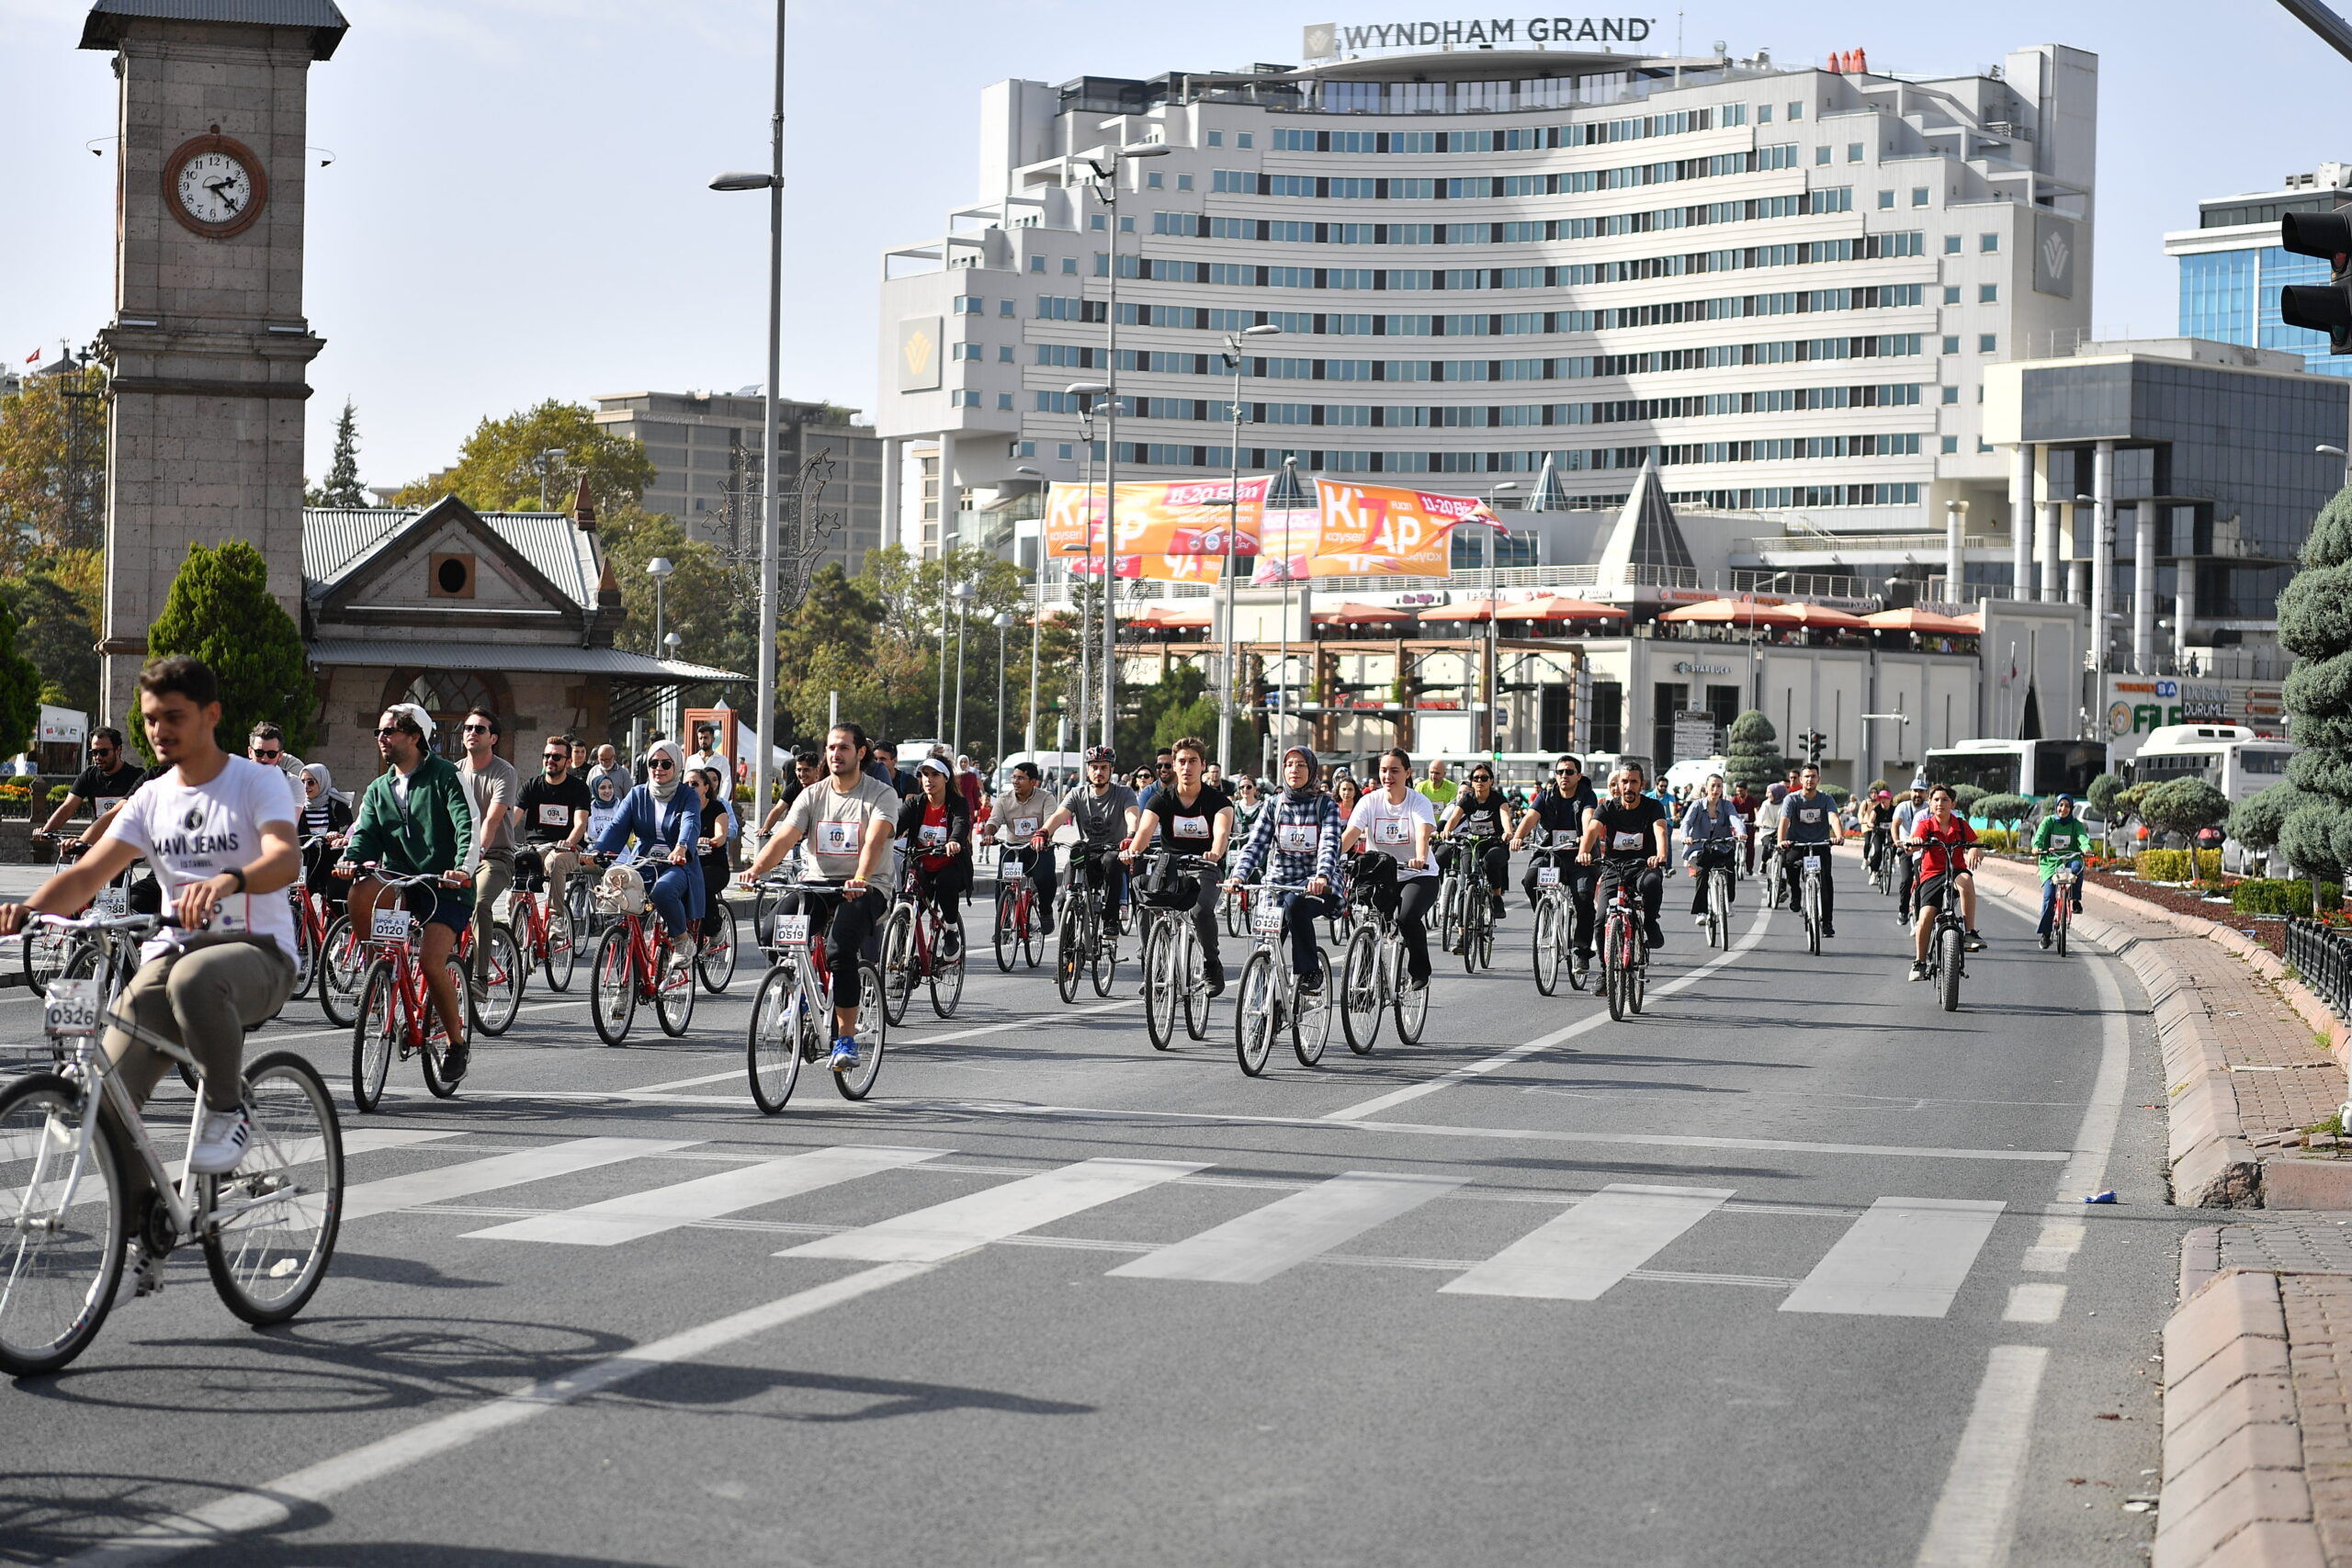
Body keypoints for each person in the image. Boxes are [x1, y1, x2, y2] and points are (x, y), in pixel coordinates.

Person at [0, 658, 302, 1191]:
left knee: (194, 979)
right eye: (149, 719)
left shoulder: (257, 781)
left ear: (211, 715)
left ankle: (228, 1111)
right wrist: (25, 910)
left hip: (258, 951)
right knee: (106, 1096)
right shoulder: (151, 797)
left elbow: (285, 858)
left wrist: (229, 881)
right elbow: (88, 874)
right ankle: (147, 1223)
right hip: (172, 953)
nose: (159, 730)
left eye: (173, 717)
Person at [742, 723, 900, 1073]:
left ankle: (845, 1039)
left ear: (860, 753)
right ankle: (798, 997)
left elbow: (875, 841)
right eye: (830, 748)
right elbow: (784, 838)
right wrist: (756, 869)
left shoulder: (880, 794)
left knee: (839, 950)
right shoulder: (812, 795)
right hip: (817, 883)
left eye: (843, 748)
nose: (835, 754)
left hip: (866, 887)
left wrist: (861, 878)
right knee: (772, 931)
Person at [339, 704, 479, 1079]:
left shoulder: (445, 775)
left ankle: (456, 1044)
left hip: (445, 885)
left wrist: (462, 869)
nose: (381, 739)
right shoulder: (378, 788)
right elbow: (365, 834)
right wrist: (351, 860)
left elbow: (467, 823)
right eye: (378, 733)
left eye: (389, 732)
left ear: (415, 736)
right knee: (361, 890)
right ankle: (378, 974)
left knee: (432, 963)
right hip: (400, 882)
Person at [1227, 744, 1343, 993]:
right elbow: (1256, 844)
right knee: (1264, 945)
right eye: (1289, 764)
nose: (1294, 770)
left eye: (1301, 765)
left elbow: (1330, 844)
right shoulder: (1273, 804)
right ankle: (1261, 1005)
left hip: (1316, 886)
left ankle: (1309, 970)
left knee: (1295, 904)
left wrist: (1322, 876)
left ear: (1312, 770)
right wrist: (1238, 875)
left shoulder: (1326, 805)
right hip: (1277, 884)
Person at [1124, 735, 1234, 996]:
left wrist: (1215, 853)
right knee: (1146, 903)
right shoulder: (1160, 799)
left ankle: (1211, 964)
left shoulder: (1219, 802)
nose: (1187, 767)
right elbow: (1144, 831)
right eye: (1181, 762)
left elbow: (1221, 834)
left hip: (1205, 867)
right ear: (1174, 765)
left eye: (1193, 761)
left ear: (1203, 765)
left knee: (1200, 911)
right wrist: (1132, 851)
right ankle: (1155, 967)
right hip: (1169, 866)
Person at [592, 739, 704, 966]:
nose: (658, 769)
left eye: (666, 764)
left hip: (677, 864)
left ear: (677, 766)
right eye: (653, 763)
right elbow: (616, 827)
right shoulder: (637, 794)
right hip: (643, 861)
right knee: (622, 895)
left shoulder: (687, 795)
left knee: (663, 891)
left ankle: (682, 940)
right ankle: (625, 975)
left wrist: (682, 846)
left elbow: (690, 822)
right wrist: (596, 850)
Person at [1339, 747, 1438, 991]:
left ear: (1407, 773)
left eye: (1394, 771)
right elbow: (1351, 833)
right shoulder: (1369, 801)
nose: (1387, 776)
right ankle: (1365, 983)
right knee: (1363, 918)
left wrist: (1420, 857)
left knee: (1406, 917)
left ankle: (1419, 971)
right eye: (1384, 770)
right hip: (1381, 875)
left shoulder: (1418, 801)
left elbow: (1423, 833)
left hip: (1418, 874)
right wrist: (1329, 857)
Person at [456, 707, 521, 997]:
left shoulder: (504, 771)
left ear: (493, 738)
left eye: (479, 729)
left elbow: (492, 820)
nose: (472, 732)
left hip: (494, 857)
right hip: (457, 857)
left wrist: (477, 852)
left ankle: (480, 978)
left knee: (480, 902)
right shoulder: (454, 772)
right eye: (468, 728)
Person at [1039, 746, 1142, 928]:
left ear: (1111, 769)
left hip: (1113, 851)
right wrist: (1043, 832)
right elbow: (1059, 815)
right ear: (1087, 770)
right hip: (1088, 851)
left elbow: (1132, 815)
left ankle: (1110, 920)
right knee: (1067, 884)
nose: (1098, 772)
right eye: (1094, 767)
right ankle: (1068, 933)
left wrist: (1131, 835)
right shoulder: (1077, 793)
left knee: (1112, 861)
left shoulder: (1124, 793)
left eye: (1103, 767)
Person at [1580, 763, 1670, 951]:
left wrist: (1660, 855)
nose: (1629, 787)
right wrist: (1584, 852)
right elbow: (1593, 829)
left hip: (1643, 866)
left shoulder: (1653, 806)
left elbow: (1660, 830)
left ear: (1642, 784)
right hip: (1614, 868)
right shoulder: (1606, 807)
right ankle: (1605, 967)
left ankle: (1650, 923)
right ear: (1619, 784)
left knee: (1652, 882)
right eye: (1624, 782)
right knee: (1600, 920)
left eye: (1634, 782)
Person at [1511, 755, 1599, 933]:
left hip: (1579, 857)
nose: (1564, 775)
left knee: (1583, 897)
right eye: (1560, 772)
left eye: (1569, 772)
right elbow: (1531, 817)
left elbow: (1587, 817)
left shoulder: (1587, 796)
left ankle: (1581, 947)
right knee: (1530, 880)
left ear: (1578, 776)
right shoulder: (1545, 796)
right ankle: (1544, 917)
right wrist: (1518, 837)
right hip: (1550, 854)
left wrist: (1584, 843)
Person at [1909, 783, 1986, 977]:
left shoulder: (1961, 824)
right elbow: (1912, 845)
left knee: (1966, 879)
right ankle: (1919, 962)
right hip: (1932, 875)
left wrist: (1974, 849)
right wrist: (1915, 843)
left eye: (1945, 800)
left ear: (1953, 804)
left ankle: (1970, 933)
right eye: (1936, 799)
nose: (1940, 803)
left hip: (1955, 870)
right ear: (1929, 803)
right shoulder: (1925, 825)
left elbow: (1975, 844)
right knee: (1925, 917)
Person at [516, 732, 592, 931]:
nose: (550, 760)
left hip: (566, 849)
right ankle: (516, 931)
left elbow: (580, 823)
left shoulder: (579, 788)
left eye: (556, 757)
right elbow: (512, 818)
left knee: (554, 861)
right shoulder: (531, 786)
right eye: (547, 756)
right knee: (517, 869)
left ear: (568, 762)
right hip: (535, 847)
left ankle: (556, 917)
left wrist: (569, 842)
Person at [899, 757, 974, 950]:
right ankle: (900, 954)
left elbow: (961, 823)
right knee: (906, 906)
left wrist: (954, 841)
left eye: (935, 775)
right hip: (921, 866)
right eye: (925, 774)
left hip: (949, 865)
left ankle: (951, 930)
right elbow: (894, 825)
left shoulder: (957, 803)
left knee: (945, 882)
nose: (929, 779)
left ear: (946, 778)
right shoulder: (915, 803)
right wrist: (880, 836)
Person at [984, 759, 1057, 935]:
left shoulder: (1046, 797)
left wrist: (1043, 836)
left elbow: (1051, 821)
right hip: (1013, 847)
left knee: (1045, 879)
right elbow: (993, 821)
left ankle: (1046, 911)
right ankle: (1004, 923)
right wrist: (989, 834)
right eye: (1014, 777)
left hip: (1038, 848)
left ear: (1033, 782)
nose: (1015, 781)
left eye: (1021, 778)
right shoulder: (1004, 799)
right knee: (1002, 883)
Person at [33, 726, 143, 843]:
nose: (98, 757)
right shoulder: (88, 776)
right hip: (99, 843)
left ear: (118, 749)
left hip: (131, 844)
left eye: (104, 752)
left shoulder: (137, 777)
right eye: (94, 752)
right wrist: (45, 832)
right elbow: (67, 809)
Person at [1440, 763, 1516, 921]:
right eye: (1476, 778)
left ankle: (1496, 897)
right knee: (1465, 878)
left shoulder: (1498, 799)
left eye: (1484, 778)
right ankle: (1462, 927)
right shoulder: (1467, 799)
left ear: (1491, 781)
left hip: (1495, 843)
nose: (1479, 781)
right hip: (1472, 843)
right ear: (1472, 782)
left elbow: (1505, 817)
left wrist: (1508, 832)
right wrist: (1447, 830)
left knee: (1490, 862)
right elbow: (1454, 818)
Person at [1774, 764, 1842, 939]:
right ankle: (1796, 894)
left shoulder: (1826, 799)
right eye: (1807, 776)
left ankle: (1827, 923)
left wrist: (1838, 836)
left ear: (1818, 779)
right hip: (1797, 844)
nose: (1810, 779)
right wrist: (1782, 841)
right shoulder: (1792, 799)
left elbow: (1833, 818)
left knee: (1826, 882)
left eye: (1813, 776)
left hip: (1820, 845)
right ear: (1801, 779)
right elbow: (1784, 821)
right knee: (1790, 863)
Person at [1680, 773, 1744, 922]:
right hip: (1699, 848)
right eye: (1712, 786)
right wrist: (1685, 837)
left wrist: (1740, 832)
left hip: (1722, 847)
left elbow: (1735, 819)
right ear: (1706, 788)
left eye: (1719, 786)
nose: (1716, 790)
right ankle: (1701, 911)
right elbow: (1686, 823)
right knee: (1702, 872)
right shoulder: (1697, 805)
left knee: (1730, 866)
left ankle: (1729, 901)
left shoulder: (1726, 805)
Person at [2034, 794, 2093, 948]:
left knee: (2077, 868)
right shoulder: (2048, 821)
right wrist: (2037, 847)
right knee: (2049, 896)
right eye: (2061, 805)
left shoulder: (2076, 824)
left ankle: (2075, 900)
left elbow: (2083, 838)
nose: (2063, 809)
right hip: (2051, 862)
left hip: (2070, 859)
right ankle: (2046, 933)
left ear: (2071, 808)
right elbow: (2039, 836)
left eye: (2067, 806)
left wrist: (2086, 847)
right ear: (2056, 806)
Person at [299, 761, 356, 913]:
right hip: (307, 864)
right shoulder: (298, 807)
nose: (306, 786)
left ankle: (339, 927)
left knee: (337, 900)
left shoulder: (337, 805)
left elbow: (346, 828)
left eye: (311, 782)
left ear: (322, 782)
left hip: (332, 862)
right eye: (302, 782)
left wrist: (337, 836)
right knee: (296, 899)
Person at [693, 766, 735, 941]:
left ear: (706, 787)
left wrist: (708, 841)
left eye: (695, 784)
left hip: (713, 865)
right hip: (687, 864)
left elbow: (721, 836)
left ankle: (715, 927)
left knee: (701, 883)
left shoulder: (717, 808)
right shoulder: (681, 808)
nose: (690, 787)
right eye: (686, 784)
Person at [1892, 780, 1931, 923]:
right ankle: (1903, 910)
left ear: (1925, 794)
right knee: (1906, 879)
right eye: (1915, 791)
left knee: (1925, 880)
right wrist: (1897, 840)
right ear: (1910, 792)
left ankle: (1923, 914)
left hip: (1923, 849)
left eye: (1921, 791)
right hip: (1906, 848)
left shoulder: (1929, 809)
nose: (1917, 794)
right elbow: (1895, 825)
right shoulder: (1903, 807)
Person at [586, 771, 626, 857]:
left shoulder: (621, 807)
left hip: (618, 851)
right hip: (593, 850)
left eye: (610, 787)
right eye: (603, 788)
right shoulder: (589, 808)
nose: (607, 791)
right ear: (595, 790)